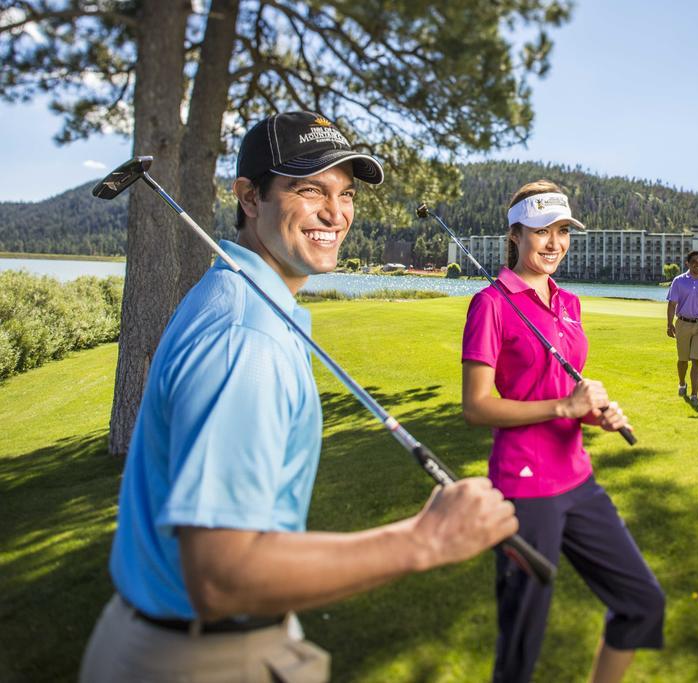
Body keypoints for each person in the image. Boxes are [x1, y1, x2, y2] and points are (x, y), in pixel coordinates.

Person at [79, 111, 518, 682]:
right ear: (249, 198)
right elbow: (222, 576)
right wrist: (425, 541)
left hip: (190, 641)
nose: (335, 213)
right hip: (202, 660)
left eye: (345, 192)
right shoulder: (245, 340)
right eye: (309, 189)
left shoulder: (235, 298)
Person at [461, 180, 665, 683]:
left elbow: (562, 389)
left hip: (577, 479)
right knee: (521, 646)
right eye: (540, 231)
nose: (553, 243)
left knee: (642, 603)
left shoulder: (569, 304)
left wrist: (593, 412)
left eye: (562, 231)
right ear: (514, 234)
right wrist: (564, 405)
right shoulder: (490, 303)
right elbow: (477, 406)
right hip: (524, 487)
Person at [665, 250, 698, 406]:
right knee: (683, 360)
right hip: (683, 323)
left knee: (697, 360)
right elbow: (672, 304)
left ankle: (695, 395)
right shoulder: (678, 281)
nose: (697, 264)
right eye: (694, 261)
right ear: (687, 263)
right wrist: (669, 324)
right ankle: (682, 383)